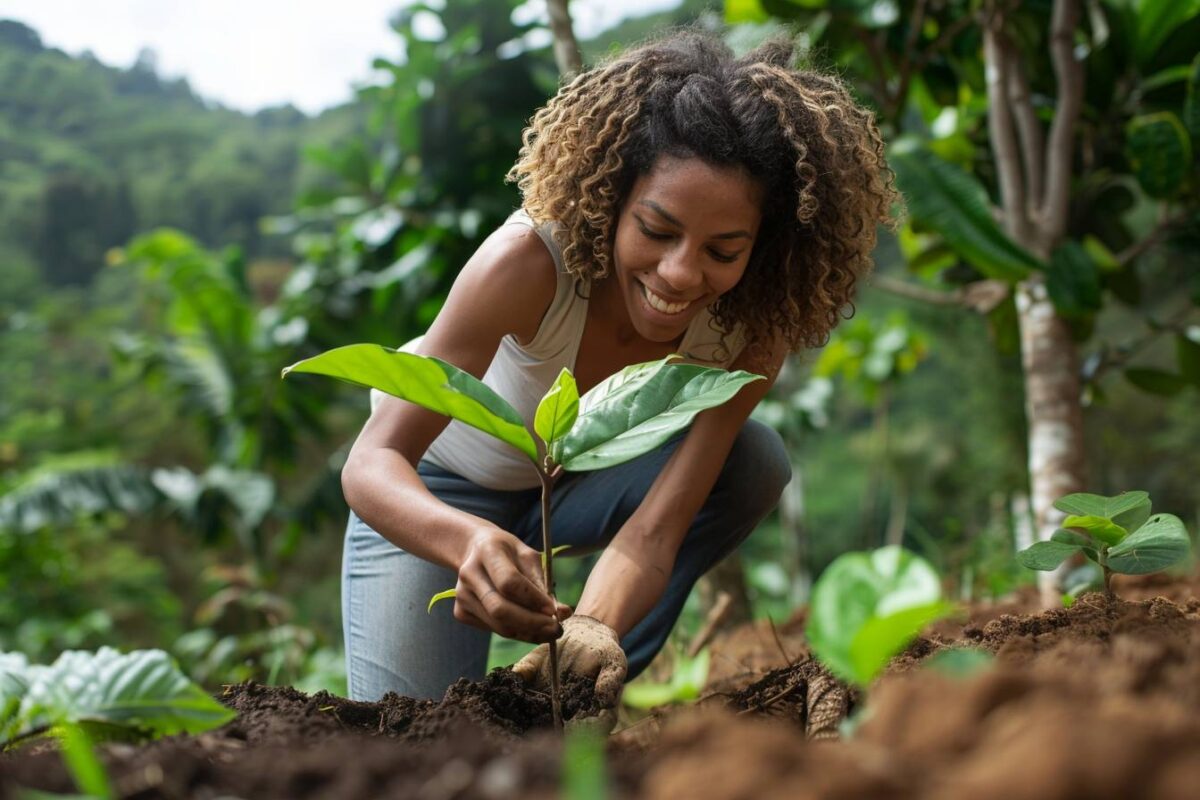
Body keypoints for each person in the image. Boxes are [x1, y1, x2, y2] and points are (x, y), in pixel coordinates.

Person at [338, 30, 895, 723]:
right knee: (411, 737)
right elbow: (373, 462)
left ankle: (574, 699)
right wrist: (466, 540)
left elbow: (658, 528)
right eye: (657, 231)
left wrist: (590, 629)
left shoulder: (754, 324)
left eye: (723, 250)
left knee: (754, 460)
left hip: (582, 488)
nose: (681, 273)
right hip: (439, 493)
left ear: (765, 244)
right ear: (611, 202)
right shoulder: (526, 264)